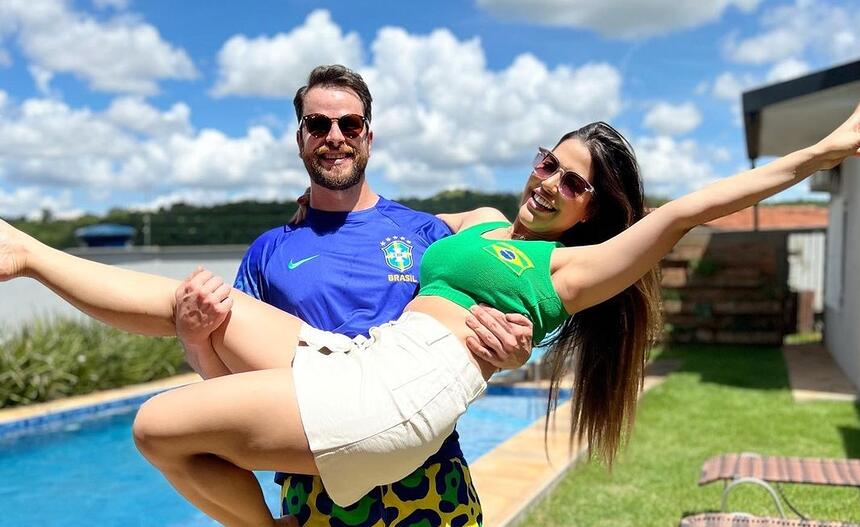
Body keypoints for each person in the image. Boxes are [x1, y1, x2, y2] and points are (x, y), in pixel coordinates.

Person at [1, 101, 857, 527]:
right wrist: (203, 332)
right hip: (360, 357)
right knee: (197, 304)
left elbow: (690, 210)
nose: (548, 181)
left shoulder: (574, 268)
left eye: (573, 181)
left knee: (155, 426)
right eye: (547, 162)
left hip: (396, 398)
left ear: (596, 209)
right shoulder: (477, 226)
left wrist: (823, 149)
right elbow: (375, 230)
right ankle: (28, 252)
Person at [174, 64, 535, 527]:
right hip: (315, 486)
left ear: (369, 134)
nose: (335, 135)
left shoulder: (425, 233)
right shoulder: (268, 252)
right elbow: (230, 387)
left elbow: (492, 292)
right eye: (318, 124)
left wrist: (515, 348)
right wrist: (193, 338)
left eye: (350, 123)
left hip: (431, 476)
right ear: (300, 137)